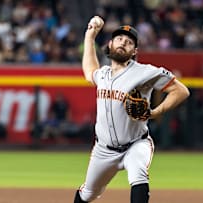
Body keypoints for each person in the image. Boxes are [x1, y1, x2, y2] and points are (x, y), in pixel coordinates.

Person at [73, 16, 190, 203]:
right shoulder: (103, 74)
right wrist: (90, 35)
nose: (123, 43)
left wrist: (154, 112)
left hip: (136, 144)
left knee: (138, 176)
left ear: (134, 51)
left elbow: (181, 91)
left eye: (128, 42)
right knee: (88, 193)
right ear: (110, 44)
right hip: (104, 150)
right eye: (119, 39)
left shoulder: (145, 72)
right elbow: (89, 71)